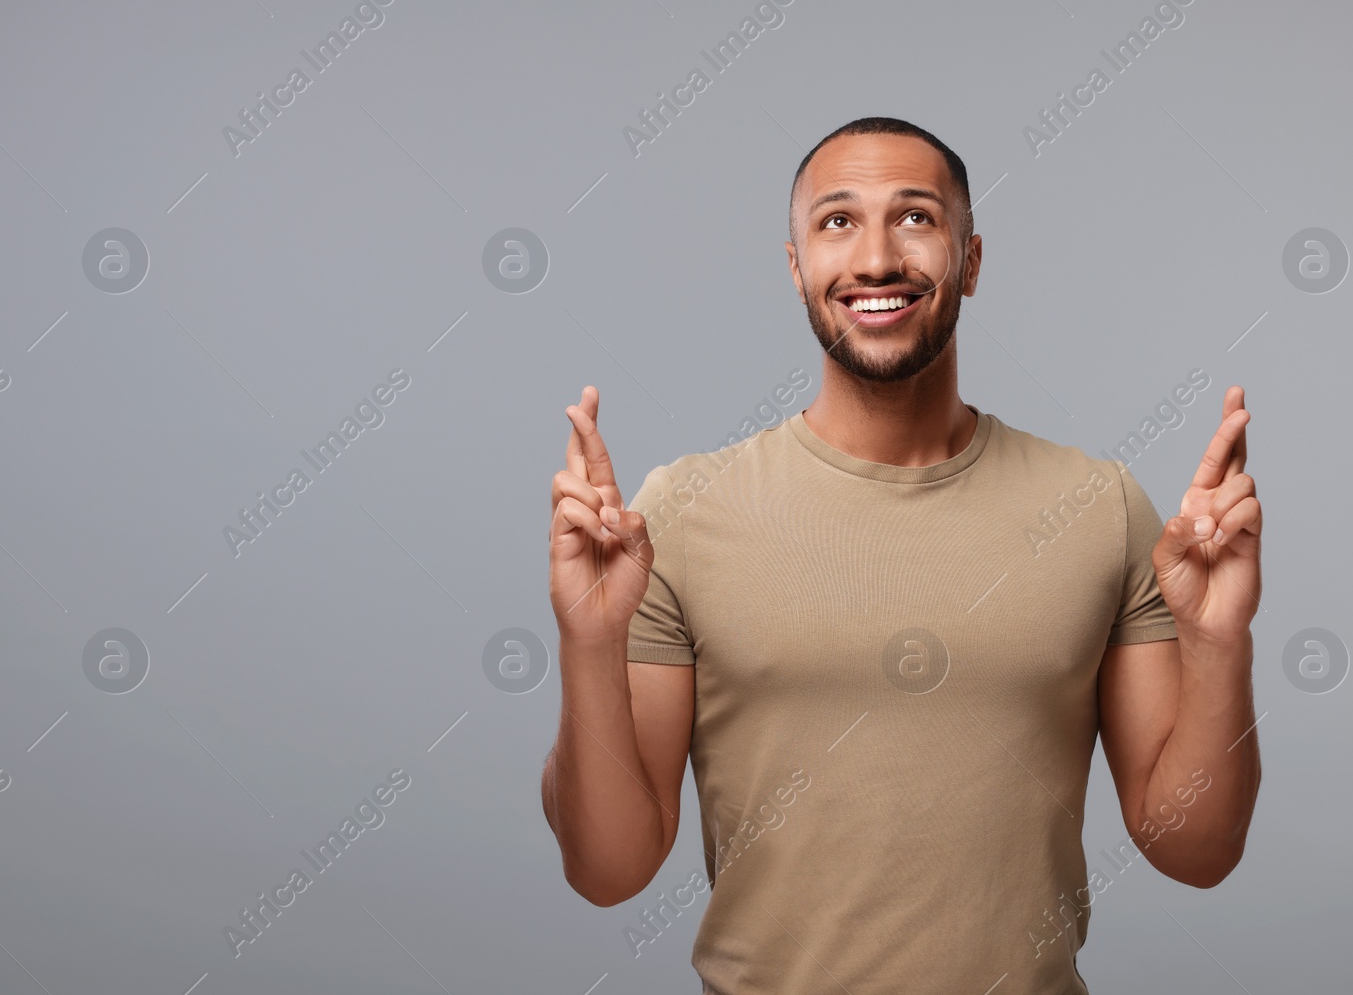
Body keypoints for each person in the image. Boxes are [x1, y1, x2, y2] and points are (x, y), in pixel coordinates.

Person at [541, 116, 1262, 993]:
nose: (876, 258)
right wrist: (585, 639)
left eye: (916, 217)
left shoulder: (1098, 508)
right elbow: (607, 870)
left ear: (971, 259)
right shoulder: (683, 515)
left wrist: (1221, 641)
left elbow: (1196, 850)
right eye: (836, 222)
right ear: (796, 265)